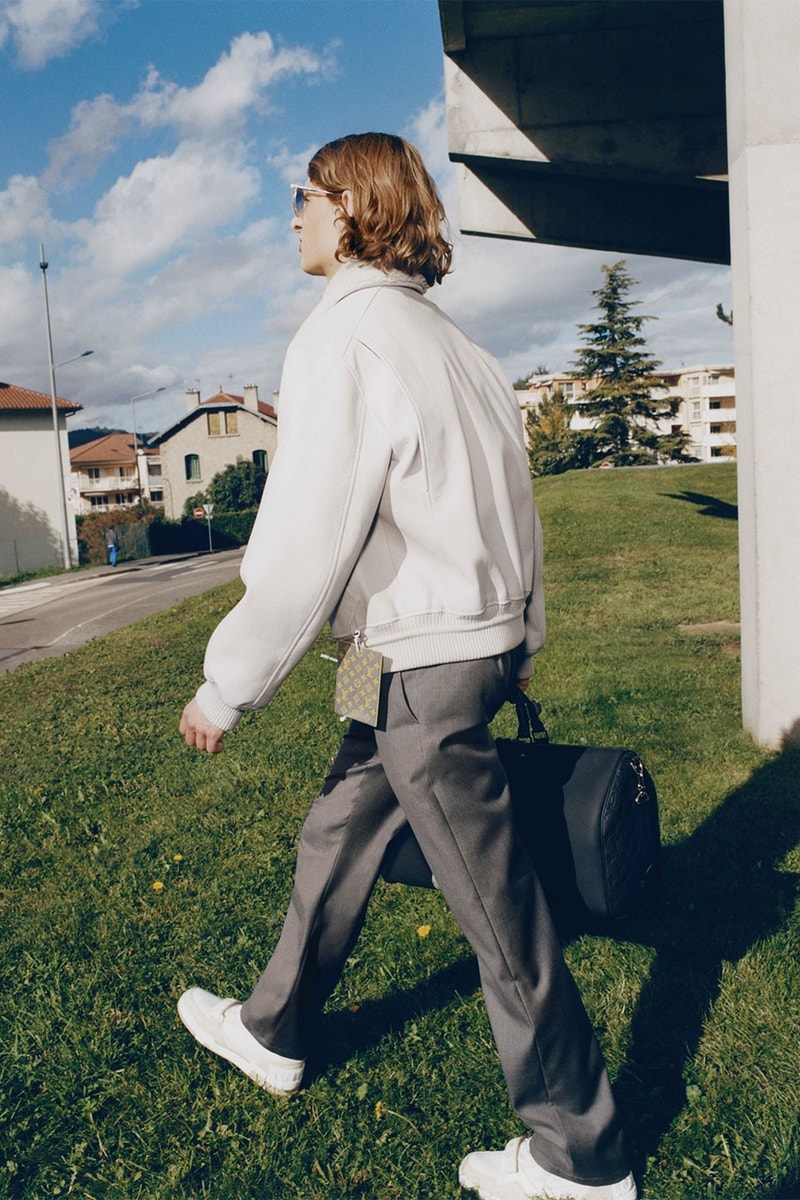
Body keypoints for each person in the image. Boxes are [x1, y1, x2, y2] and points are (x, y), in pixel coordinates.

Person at [177, 132, 636, 1200]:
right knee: (338, 825)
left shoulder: (343, 337)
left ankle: (581, 1155)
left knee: (497, 912)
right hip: (410, 653)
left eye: (303, 195)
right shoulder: (459, 347)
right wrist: (522, 639)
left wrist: (226, 684)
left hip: (418, 666)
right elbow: (516, 514)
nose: (291, 214)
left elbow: (307, 540)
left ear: (351, 208)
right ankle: (274, 1029)